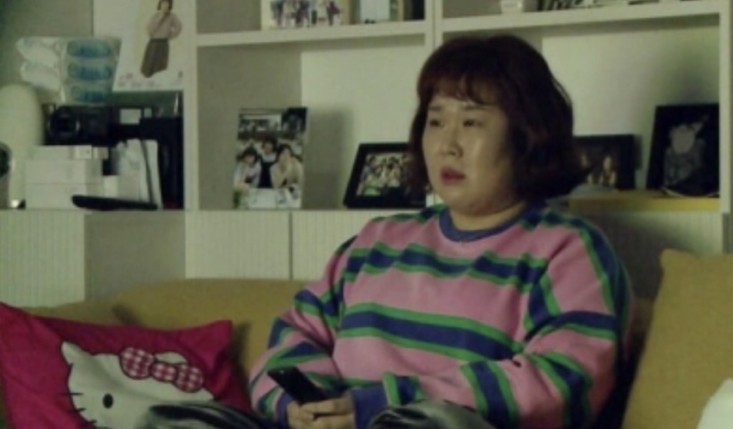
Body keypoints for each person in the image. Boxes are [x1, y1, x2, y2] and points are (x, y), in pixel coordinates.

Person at [137, 34, 633, 429]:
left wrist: (384, 404)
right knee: (171, 420)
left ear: (527, 136)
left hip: (428, 422)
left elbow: (566, 378)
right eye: (435, 122)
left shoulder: (566, 247)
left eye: (471, 123)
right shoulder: (378, 241)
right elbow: (295, 332)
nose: (447, 145)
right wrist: (304, 403)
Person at [140, 0, 182, 78]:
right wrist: (160, 17)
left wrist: (169, 35)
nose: (165, 6)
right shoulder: (155, 16)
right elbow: (149, 31)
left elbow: (179, 28)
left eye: (167, 4)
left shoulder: (172, 16)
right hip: (153, 43)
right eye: (163, 3)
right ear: (160, 4)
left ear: (170, 5)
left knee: (160, 69)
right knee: (148, 68)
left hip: (163, 44)